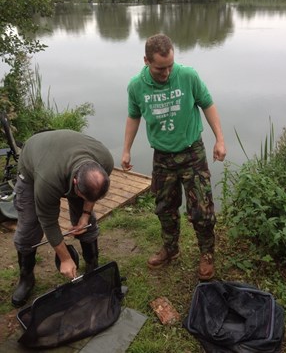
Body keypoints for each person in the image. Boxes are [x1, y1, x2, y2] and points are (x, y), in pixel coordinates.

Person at [121, 34, 226, 281]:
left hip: (192, 152)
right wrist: (126, 149)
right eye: (160, 68)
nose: (167, 73)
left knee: (202, 209)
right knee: (165, 208)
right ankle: (170, 248)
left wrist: (219, 139)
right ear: (146, 60)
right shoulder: (136, 86)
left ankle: (206, 254)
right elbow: (133, 116)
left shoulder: (188, 76)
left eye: (170, 66)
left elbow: (208, 104)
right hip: (163, 156)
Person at [12, 129, 114, 307]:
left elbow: (92, 195)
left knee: (87, 224)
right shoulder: (48, 179)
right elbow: (48, 221)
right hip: (34, 163)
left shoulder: (105, 160)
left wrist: (85, 215)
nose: (87, 200)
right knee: (29, 226)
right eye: (83, 195)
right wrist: (65, 259)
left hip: (66, 156)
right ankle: (26, 278)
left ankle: (93, 265)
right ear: (75, 182)